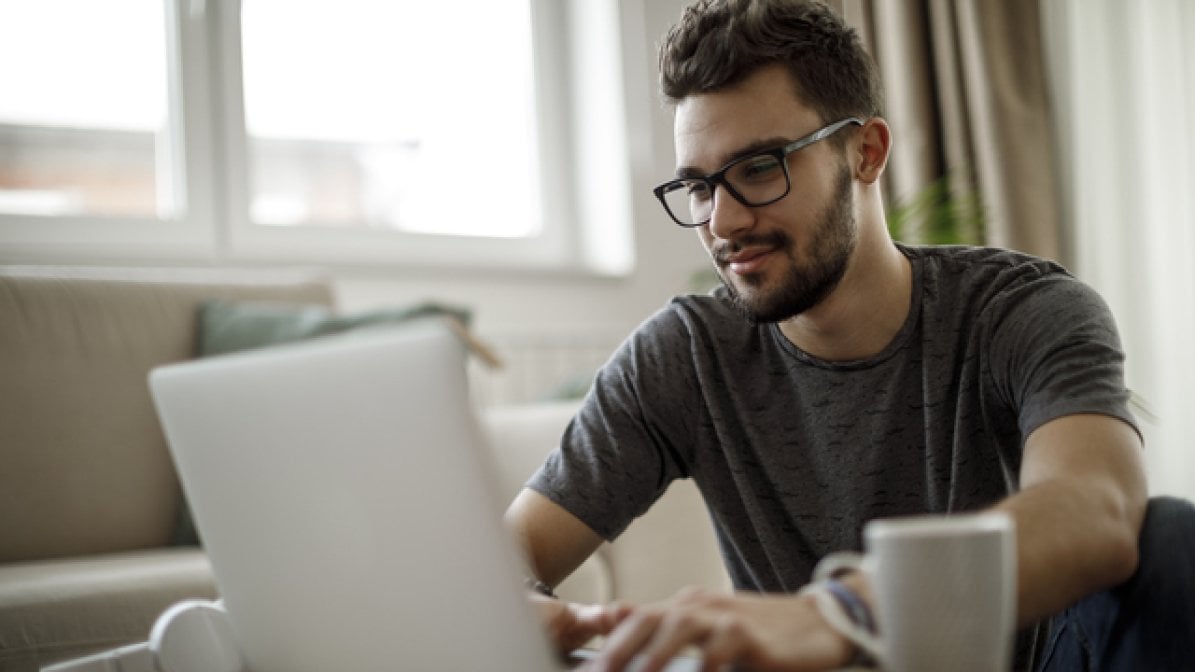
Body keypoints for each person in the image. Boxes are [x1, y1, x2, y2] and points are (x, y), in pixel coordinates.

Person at [504, 1, 1195, 670]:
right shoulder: (683, 355)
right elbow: (507, 555)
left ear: (864, 151)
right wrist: (520, 607)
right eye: (699, 186)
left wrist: (838, 612)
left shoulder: (1021, 311)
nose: (723, 222)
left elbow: (1096, 510)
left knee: (1169, 539)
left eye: (758, 169)